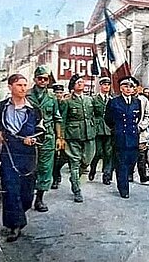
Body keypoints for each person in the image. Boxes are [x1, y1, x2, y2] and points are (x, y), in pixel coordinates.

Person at [0, 74, 43, 242]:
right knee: (10, 188)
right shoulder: (0, 107)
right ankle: (14, 226)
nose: (23, 88)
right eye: (19, 85)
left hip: (28, 155)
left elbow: (42, 130)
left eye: (25, 85)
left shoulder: (34, 109)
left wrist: (34, 139)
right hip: (8, 153)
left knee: (26, 193)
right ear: (10, 87)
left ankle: (19, 214)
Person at [27, 65, 63, 212]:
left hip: (47, 136)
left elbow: (57, 118)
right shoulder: (27, 95)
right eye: (40, 78)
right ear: (35, 79)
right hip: (30, 135)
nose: (42, 81)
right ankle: (27, 196)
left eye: (45, 79)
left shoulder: (52, 98)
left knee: (45, 168)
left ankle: (39, 199)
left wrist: (59, 137)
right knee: (29, 167)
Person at [104, 77, 142, 198]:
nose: (128, 89)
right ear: (121, 88)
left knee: (131, 161)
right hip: (120, 136)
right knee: (122, 164)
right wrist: (116, 129)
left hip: (132, 135)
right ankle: (123, 188)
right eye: (125, 86)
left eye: (130, 87)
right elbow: (108, 119)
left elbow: (138, 117)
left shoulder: (137, 102)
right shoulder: (114, 102)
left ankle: (124, 179)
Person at [61, 74, 96, 203]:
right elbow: (63, 120)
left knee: (87, 160)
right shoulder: (67, 101)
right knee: (74, 162)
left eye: (82, 82)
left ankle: (74, 178)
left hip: (89, 134)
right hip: (73, 135)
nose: (81, 84)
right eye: (78, 82)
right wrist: (62, 137)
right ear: (73, 86)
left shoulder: (89, 99)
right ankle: (77, 189)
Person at [127, 76, 149, 184]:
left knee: (142, 154)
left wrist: (141, 126)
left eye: (134, 86)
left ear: (138, 87)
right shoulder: (125, 99)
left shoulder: (144, 100)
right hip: (128, 131)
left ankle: (143, 175)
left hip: (140, 131)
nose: (132, 88)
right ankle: (129, 174)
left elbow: (147, 115)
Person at [88, 77, 114, 185]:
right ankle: (93, 169)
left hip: (108, 128)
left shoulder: (112, 100)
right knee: (98, 152)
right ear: (100, 86)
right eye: (104, 85)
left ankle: (106, 175)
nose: (106, 87)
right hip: (98, 128)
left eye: (108, 85)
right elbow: (90, 114)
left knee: (108, 153)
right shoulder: (94, 99)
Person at [51, 84, 68, 189]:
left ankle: (57, 173)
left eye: (61, 93)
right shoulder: (51, 102)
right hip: (52, 132)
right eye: (57, 93)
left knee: (63, 157)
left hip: (64, 132)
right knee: (53, 157)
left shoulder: (65, 104)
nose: (59, 95)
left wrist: (62, 135)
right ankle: (55, 177)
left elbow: (65, 119)